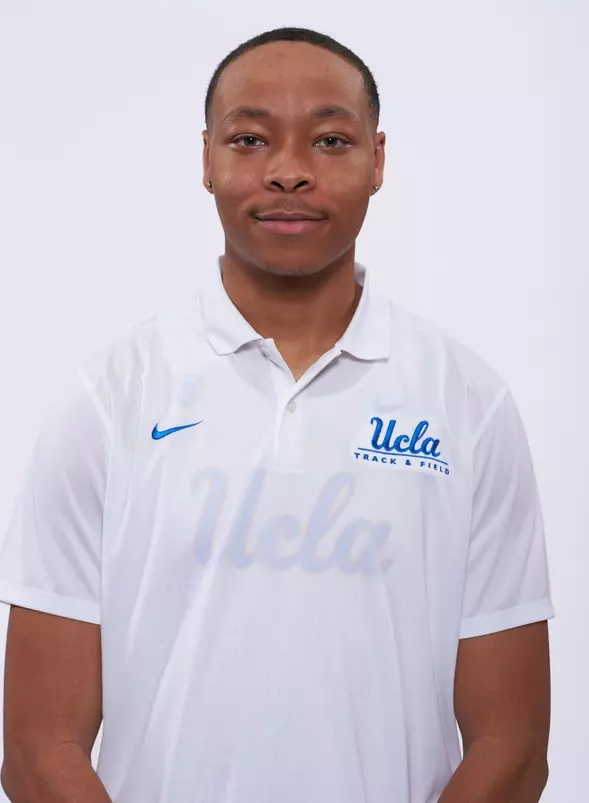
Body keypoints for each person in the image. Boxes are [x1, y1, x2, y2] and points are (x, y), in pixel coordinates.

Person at [0, 26, 554, 803]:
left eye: (330, 140)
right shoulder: (106, 401)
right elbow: (37, 748)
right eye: (251, 139)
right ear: (206, 159)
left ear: (377, 160)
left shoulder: (468, 404)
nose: (289, 172)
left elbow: (513, 745)